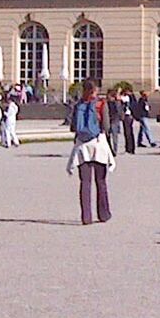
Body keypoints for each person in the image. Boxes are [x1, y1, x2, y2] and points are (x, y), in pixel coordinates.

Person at [68, 81, 114, 225]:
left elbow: (73, 127)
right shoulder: (101, 104)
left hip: (82, 146)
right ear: (95, 90)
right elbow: (106, 126)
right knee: (101, 181)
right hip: (98, 145)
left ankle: (86, 216)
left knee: (85, 183)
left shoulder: (78, 105)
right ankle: (103, 213)